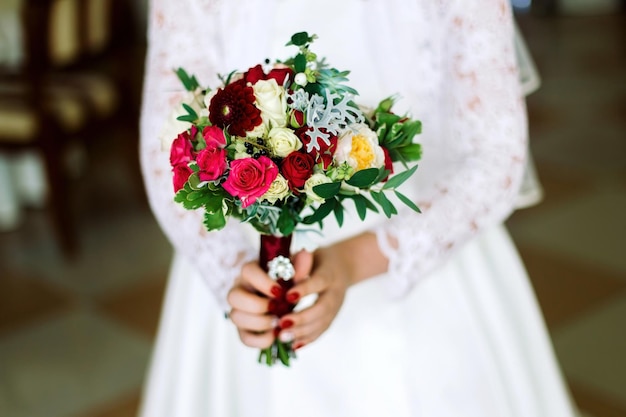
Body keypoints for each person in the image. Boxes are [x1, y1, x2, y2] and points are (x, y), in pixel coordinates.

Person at [139, 0, 578, 416]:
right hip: (246, 252)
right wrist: (235, 275)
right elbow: (168, 141)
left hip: (423, 251)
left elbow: (495, 155)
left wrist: (354, 260)